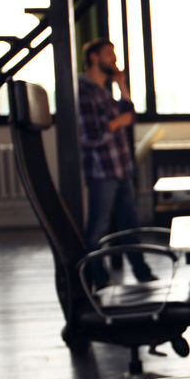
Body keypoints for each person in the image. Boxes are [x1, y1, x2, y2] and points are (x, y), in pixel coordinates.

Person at [78, 37, 155, 288]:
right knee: (97, 227)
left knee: (129, 225)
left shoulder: (103, 92)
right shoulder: (84, 91)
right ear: (94, 57)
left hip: (120, 169)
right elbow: (91, 137)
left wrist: (122, 86)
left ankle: (141, 271)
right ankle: (98, 277)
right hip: (102, 172)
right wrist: (115, 124)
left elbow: (129, 114)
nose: (114, 59)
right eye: (109, 54)